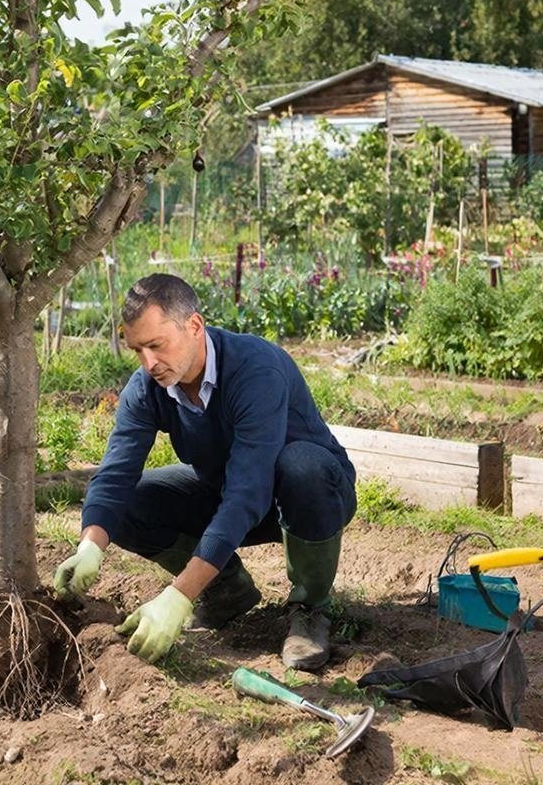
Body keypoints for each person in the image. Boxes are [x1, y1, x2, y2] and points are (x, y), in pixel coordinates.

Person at [53, 273, 357, 669]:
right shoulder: (149, 387)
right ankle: (226, 590)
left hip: (305, 496)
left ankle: (310, 609)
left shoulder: (255, 370)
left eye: (157, 346)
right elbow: (115, 472)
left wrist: (179, 595)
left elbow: (249, 491)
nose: (149, 364)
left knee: (301, 466)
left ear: (194, 326)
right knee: (129, 503)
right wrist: (90, 545)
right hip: (226, 490)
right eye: (138, 350)